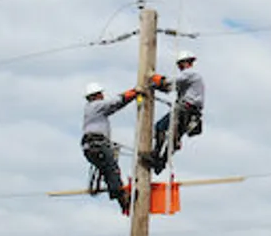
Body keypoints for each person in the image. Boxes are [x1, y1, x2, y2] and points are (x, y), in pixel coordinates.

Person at [82, 81, 139, 213]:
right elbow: (115, 101)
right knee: (112, 169)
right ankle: (122, 196)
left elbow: (115, 107)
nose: (103, 96)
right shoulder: (95, 105)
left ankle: (122, 200)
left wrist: (130, 98)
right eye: (101, 94)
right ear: (95, 95)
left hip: (91, 147)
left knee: (108, 171)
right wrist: (134, 92)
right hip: (97, 144)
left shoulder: (93, 109)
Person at [147, 50, 205, 174]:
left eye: (180, 64)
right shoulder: (188, 78)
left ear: (186, 63)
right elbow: (169, 88)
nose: (179, 67)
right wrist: (156, 86)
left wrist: (153, 77)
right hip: (190, 112)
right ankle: (160, 162)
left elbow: (168, 81)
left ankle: (156, 155)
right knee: (174, 138)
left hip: (185, 109)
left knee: (160, 127)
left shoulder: (190, 73)